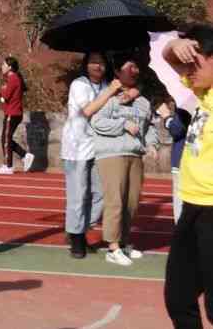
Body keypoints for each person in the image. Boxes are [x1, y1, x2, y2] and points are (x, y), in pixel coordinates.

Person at [162, 24, 213, 329]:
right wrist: (174, 47)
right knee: (179, 297)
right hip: (192, 207)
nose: (187, 70)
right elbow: (169, 57)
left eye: (195, 63)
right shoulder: (202, 90)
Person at [90, 47, 159, 267]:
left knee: (131, 202)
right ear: (118, 72)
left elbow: (149, 126)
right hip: (112, 154)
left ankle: (125, 241)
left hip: (135, 154)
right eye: (130, 67)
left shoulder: (143, 101)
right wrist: (122, 125)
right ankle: (112, 247)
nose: (135, 70)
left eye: (136, 66)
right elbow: (97, 122)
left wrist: (152, 144)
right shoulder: (109, 97)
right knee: (115, 200)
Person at [61, 51, 126, 259]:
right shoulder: (79, 85)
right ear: (86, 65)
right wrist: (110, 92)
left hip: (99, 147)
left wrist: (123, 92)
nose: (98, 66)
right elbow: (88, 110)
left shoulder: (107, 85)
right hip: (77, 147)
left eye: (101, 63)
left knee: (102, 194)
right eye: (93, 62)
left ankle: (77, 229)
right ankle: (77, 238)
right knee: (78, 195)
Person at [0, 56, 34, 175]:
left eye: (4, 65)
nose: (2, 67)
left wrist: (2, 91)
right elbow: (4, 97)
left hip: (12, 113)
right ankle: (25, 155)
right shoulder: (13, 78)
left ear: (10, 67)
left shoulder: (12, 78)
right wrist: (2, 95)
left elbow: (5, 96)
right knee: (6, 139)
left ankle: (8, 166)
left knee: (5, 139)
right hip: (13, 112)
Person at [156, 98, 191, 223]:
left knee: (182, 207)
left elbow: (177, 129)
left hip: (185, 158)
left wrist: (166, 117)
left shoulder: (189, 100)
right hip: (203, 160)